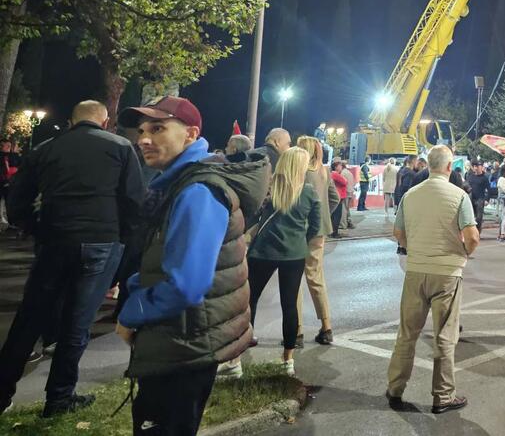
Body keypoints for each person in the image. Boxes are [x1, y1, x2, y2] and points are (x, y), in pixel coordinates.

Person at [116, 96, 267, 435]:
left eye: (158, 128)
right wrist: (136, 283)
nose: (143, 138)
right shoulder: (183, 181)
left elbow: (186, 284)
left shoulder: (196, 190)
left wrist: (130, 313)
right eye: (141, 130)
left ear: (190, 134)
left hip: (183, 344)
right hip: (185, 339)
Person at [0, 101, 144, 417]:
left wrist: (36, 228)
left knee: (29, 319)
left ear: (71, 122)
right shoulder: (121, 148)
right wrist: (123, 244)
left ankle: (2, 392)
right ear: (106, 123)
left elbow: (17, 201)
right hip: (100, 243)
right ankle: (59, 398)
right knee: (77, 323)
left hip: (54, 241)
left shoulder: (45, 150)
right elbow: (134, 203)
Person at [386, 145, 479, 415]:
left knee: (407, 334)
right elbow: (472, 237)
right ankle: (443, 395)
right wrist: (463, 254)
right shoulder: (459, 196)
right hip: (447, 274)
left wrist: (412, 248)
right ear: (449, 167)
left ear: (427, 165)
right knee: (444, 336)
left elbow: (398, 232)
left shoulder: (411, 195)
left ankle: (395, 389)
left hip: (416, 270)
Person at [246, 147, 320, 375]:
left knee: (249, 301)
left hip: (263, 251)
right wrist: (299, 239)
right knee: (289, 305)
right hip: (294, 254)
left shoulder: (269, 187)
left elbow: (253, 214)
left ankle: (235, 358)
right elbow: (315, 227)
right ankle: (288, 359)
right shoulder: (308, 192)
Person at [295, 136, 334, 346]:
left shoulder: (300, 173)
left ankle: (297, 331)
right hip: (319, 232)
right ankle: (326, 327)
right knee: (316, 277)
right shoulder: (323, 171)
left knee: (294, 280)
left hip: (299, 230)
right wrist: (325, 218)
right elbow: (334, 197)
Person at [465, 160, 490, 232]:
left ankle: (478, 232)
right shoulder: (470, 176)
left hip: (480, 200)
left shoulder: (484, 178)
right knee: (471, 217)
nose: (476, 168)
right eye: (475, 166)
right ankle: (472, 232)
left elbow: (489, 190)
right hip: (471, 199)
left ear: (481, 167)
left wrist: (487, 200)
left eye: (478, 166)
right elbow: (466, 186)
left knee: (479, 218)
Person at [329, 159, 349, 238]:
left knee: (334, 215)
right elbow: (344, 182)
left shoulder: (332, 174)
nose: (341, 167)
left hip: (336, 196)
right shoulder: (335, 174)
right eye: (340, 166)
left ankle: (333, 231)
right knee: (337, 215)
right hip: (338, 196)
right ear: (336, 167)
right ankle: (334, 232)